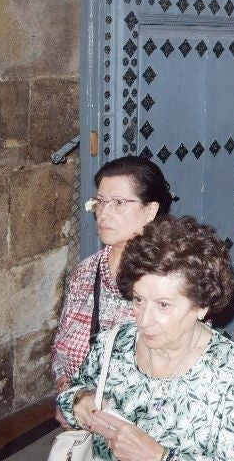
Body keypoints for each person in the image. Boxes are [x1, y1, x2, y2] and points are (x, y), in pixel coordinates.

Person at [58, 216, 234, 460]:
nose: (145, 320)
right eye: (139, 300)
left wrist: (159, 457)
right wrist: (80, 400)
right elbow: (70, 393)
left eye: (163, 305)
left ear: (202, 306)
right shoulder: (113, 343)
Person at [51, 156, 173, 392]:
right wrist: (69, 395)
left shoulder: (171, 279)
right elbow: (60, 348)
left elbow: (176, 369)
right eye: (100, 202)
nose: (104, 213)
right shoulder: (86, 271)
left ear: (150, 210)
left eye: (118, 202)